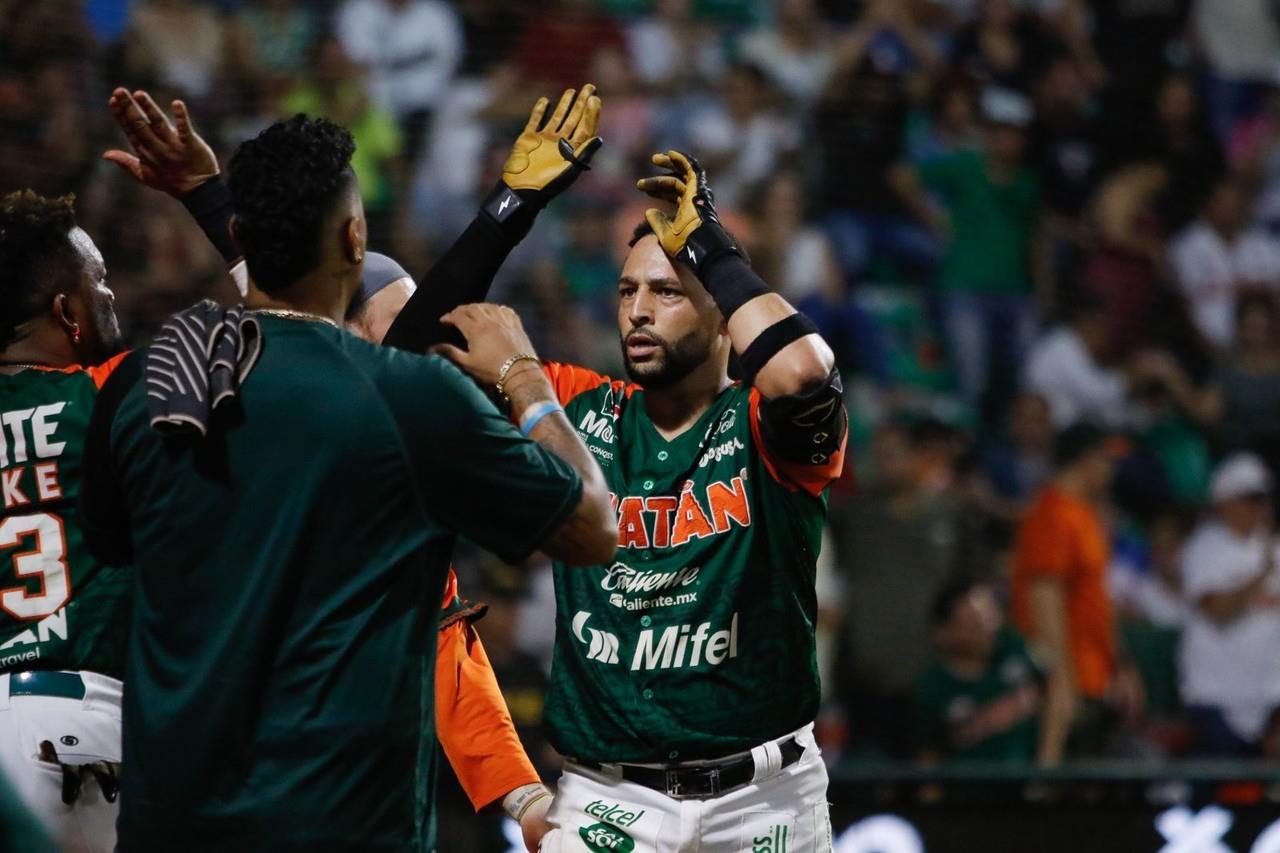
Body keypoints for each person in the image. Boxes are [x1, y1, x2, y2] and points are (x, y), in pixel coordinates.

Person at [78, 113, 616, 851]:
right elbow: (593, 524)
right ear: (354, 242)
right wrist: (523, 372)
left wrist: (210, 195)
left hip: (172, 825)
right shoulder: (405, 405)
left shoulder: (148, 382)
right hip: (346, 828)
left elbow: (110, 543)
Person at [396, 147, 848, 850]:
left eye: (666, 292)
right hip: (609, 797)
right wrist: (510, 208)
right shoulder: (573, 403)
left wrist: (707, 242)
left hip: (767, 798)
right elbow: (405, 362)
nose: (637, 311)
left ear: (726, 313)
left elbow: (800, 372)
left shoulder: (762, 428)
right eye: (626, 291)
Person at [0, 189, 130, 853]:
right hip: (82, 721)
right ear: (66, 311)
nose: (111, 296)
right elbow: (289, 340)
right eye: (99, 281)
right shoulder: (114, 388)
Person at [1011, 423, 1141, 764]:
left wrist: (1119, 665)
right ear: (1086, 460)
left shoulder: (1083, 513)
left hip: (1093, 674)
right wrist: (1061, 682)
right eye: (1106, 458)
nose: (1111, 469)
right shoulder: (1052, 513)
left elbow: (1097, 599)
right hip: (1068, 684)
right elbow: (1044, 601)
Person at [1179, 453, 1280, 756]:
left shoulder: (1274, 545)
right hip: (1217, 698)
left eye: (1264, 499)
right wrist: (1259, 576)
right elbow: (1218, 612)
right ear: (1224, 502)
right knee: (1216, 795)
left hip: (1270, 700)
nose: (1261, 508)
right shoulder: (1204, 548)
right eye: (1251, 499)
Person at [914, 577, 1043, 764]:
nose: (988, 629)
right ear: (943, 632)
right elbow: (926, 757)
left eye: (990, 619)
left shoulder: (1014, 649)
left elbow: (1056, 693)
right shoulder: (932, 687)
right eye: (974, 624)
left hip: (1024, 784)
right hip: (964, 789)